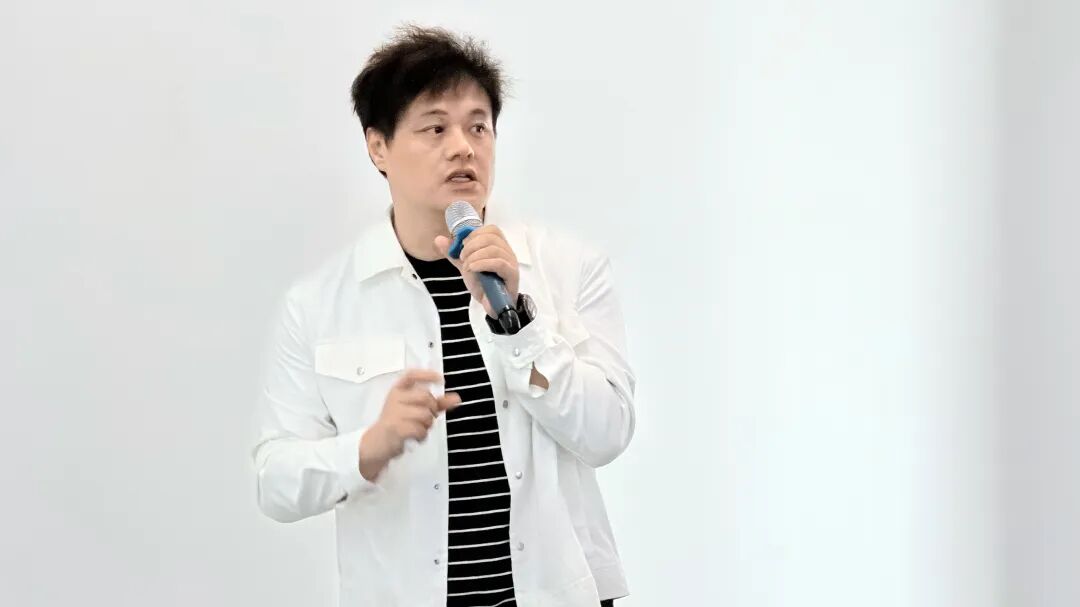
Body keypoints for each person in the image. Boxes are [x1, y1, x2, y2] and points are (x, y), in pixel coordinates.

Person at [252, 25, 636, 607]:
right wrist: (368, 447)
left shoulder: (565, 267)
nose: (463, 147)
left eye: (478, 126)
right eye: (435, 128)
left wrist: (518, 323)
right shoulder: (319, 304)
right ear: (378, 147)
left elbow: (607, 434)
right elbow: (275, 483)